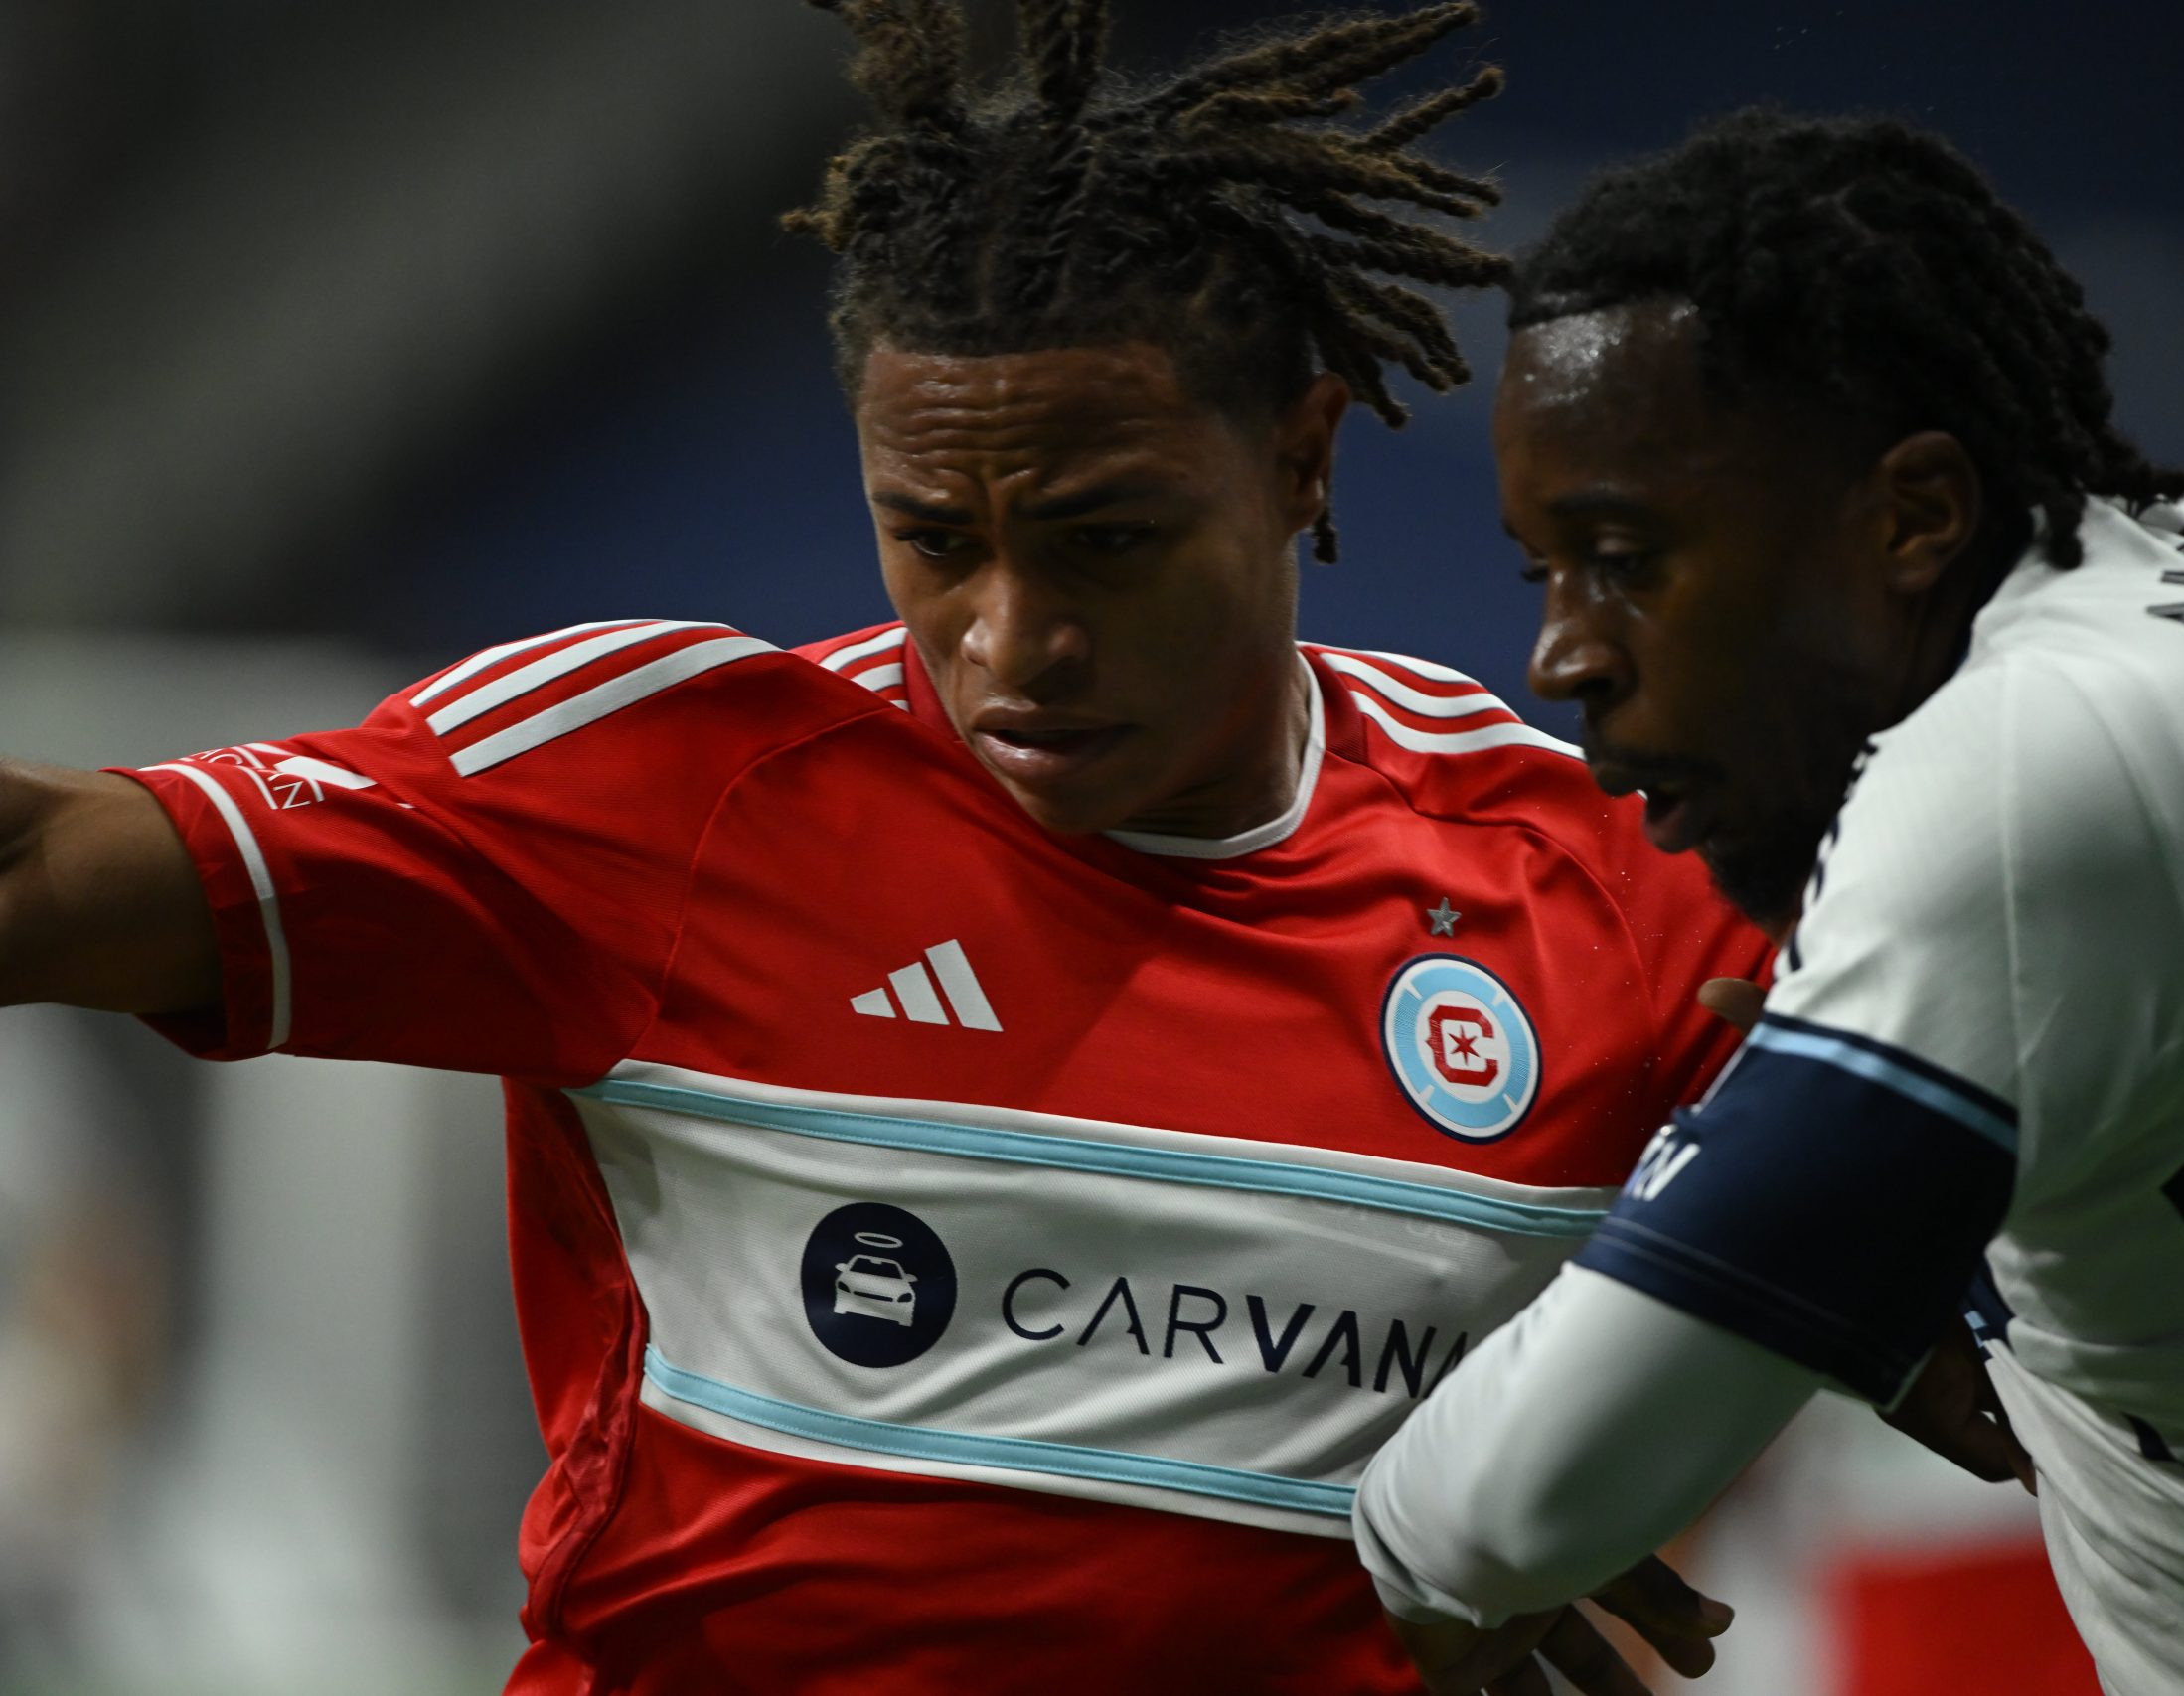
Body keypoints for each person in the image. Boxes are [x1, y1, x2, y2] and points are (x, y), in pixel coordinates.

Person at [0, 5, 1779, 1692]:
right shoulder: (674, 788)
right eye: (933, 538)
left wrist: (1663, 1409)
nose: (1012, 641)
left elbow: (1895, 1175)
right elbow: (49, 870)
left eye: (1107, 540)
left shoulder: (1600, 886)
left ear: (1303, 458)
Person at [1352, 108, 2184, 1696]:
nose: (1561, 652)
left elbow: (1490, 1519)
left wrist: (1351, 1501)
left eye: (1626, 557)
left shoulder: (2021, 772)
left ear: (1913, 515)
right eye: (1543, 573)